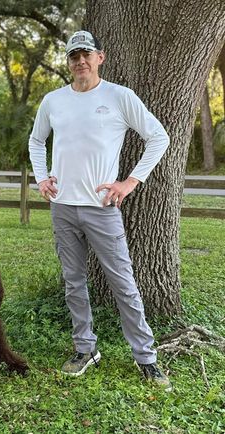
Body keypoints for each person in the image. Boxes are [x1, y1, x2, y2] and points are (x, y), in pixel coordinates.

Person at [28, 30, 172, 391]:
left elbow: (159, 137)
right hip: (62, 207)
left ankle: (146, 358)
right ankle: (85, 348)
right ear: (69, 61)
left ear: (99, 58)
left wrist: (129, 183)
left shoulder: (119, 97)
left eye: (86, 55)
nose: (80, 61)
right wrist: (41, 177)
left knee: (123, 284)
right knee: (74, 283)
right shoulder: (53, 100)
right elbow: (36, 139)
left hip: (102, 209)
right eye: (74, 56)